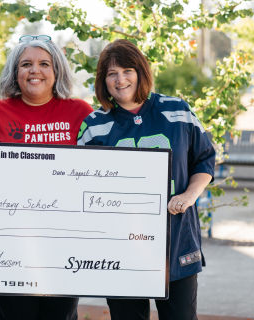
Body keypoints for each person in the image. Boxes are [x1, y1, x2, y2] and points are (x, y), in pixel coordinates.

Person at [77, 39, 215, 320]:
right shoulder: (94, 125)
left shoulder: (178, 110)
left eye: (127, 70)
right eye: (111, 73)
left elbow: (204, 159)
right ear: (103, 81)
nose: (120, 79)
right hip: (121, 244)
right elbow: (83, 183)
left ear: (141, 71)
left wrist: (189, 195)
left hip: (176, 238)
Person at [0, 35, 93, 320]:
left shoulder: (81, 113)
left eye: (44, 63)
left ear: (56, 70)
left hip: (64, 241)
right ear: (14, 72)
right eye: (26, 64)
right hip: (12, 243)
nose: (35, 70)